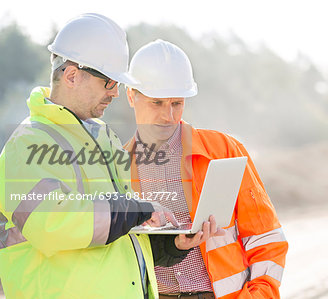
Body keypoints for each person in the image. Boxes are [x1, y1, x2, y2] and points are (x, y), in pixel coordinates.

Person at [0, 14, 214, 299]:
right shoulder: (28, 143)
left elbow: (114, 236)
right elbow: (51, 224)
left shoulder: (104, 138)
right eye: (109, 82)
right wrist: (134, 208)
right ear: (72, 75)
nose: (115, 93)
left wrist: (169, 246)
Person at [124, 39, 289, 299]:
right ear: (131, 95)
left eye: (176, 103)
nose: (168, 116)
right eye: (157, 103)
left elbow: (265, 237)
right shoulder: (117, 167)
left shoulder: (223, 150)